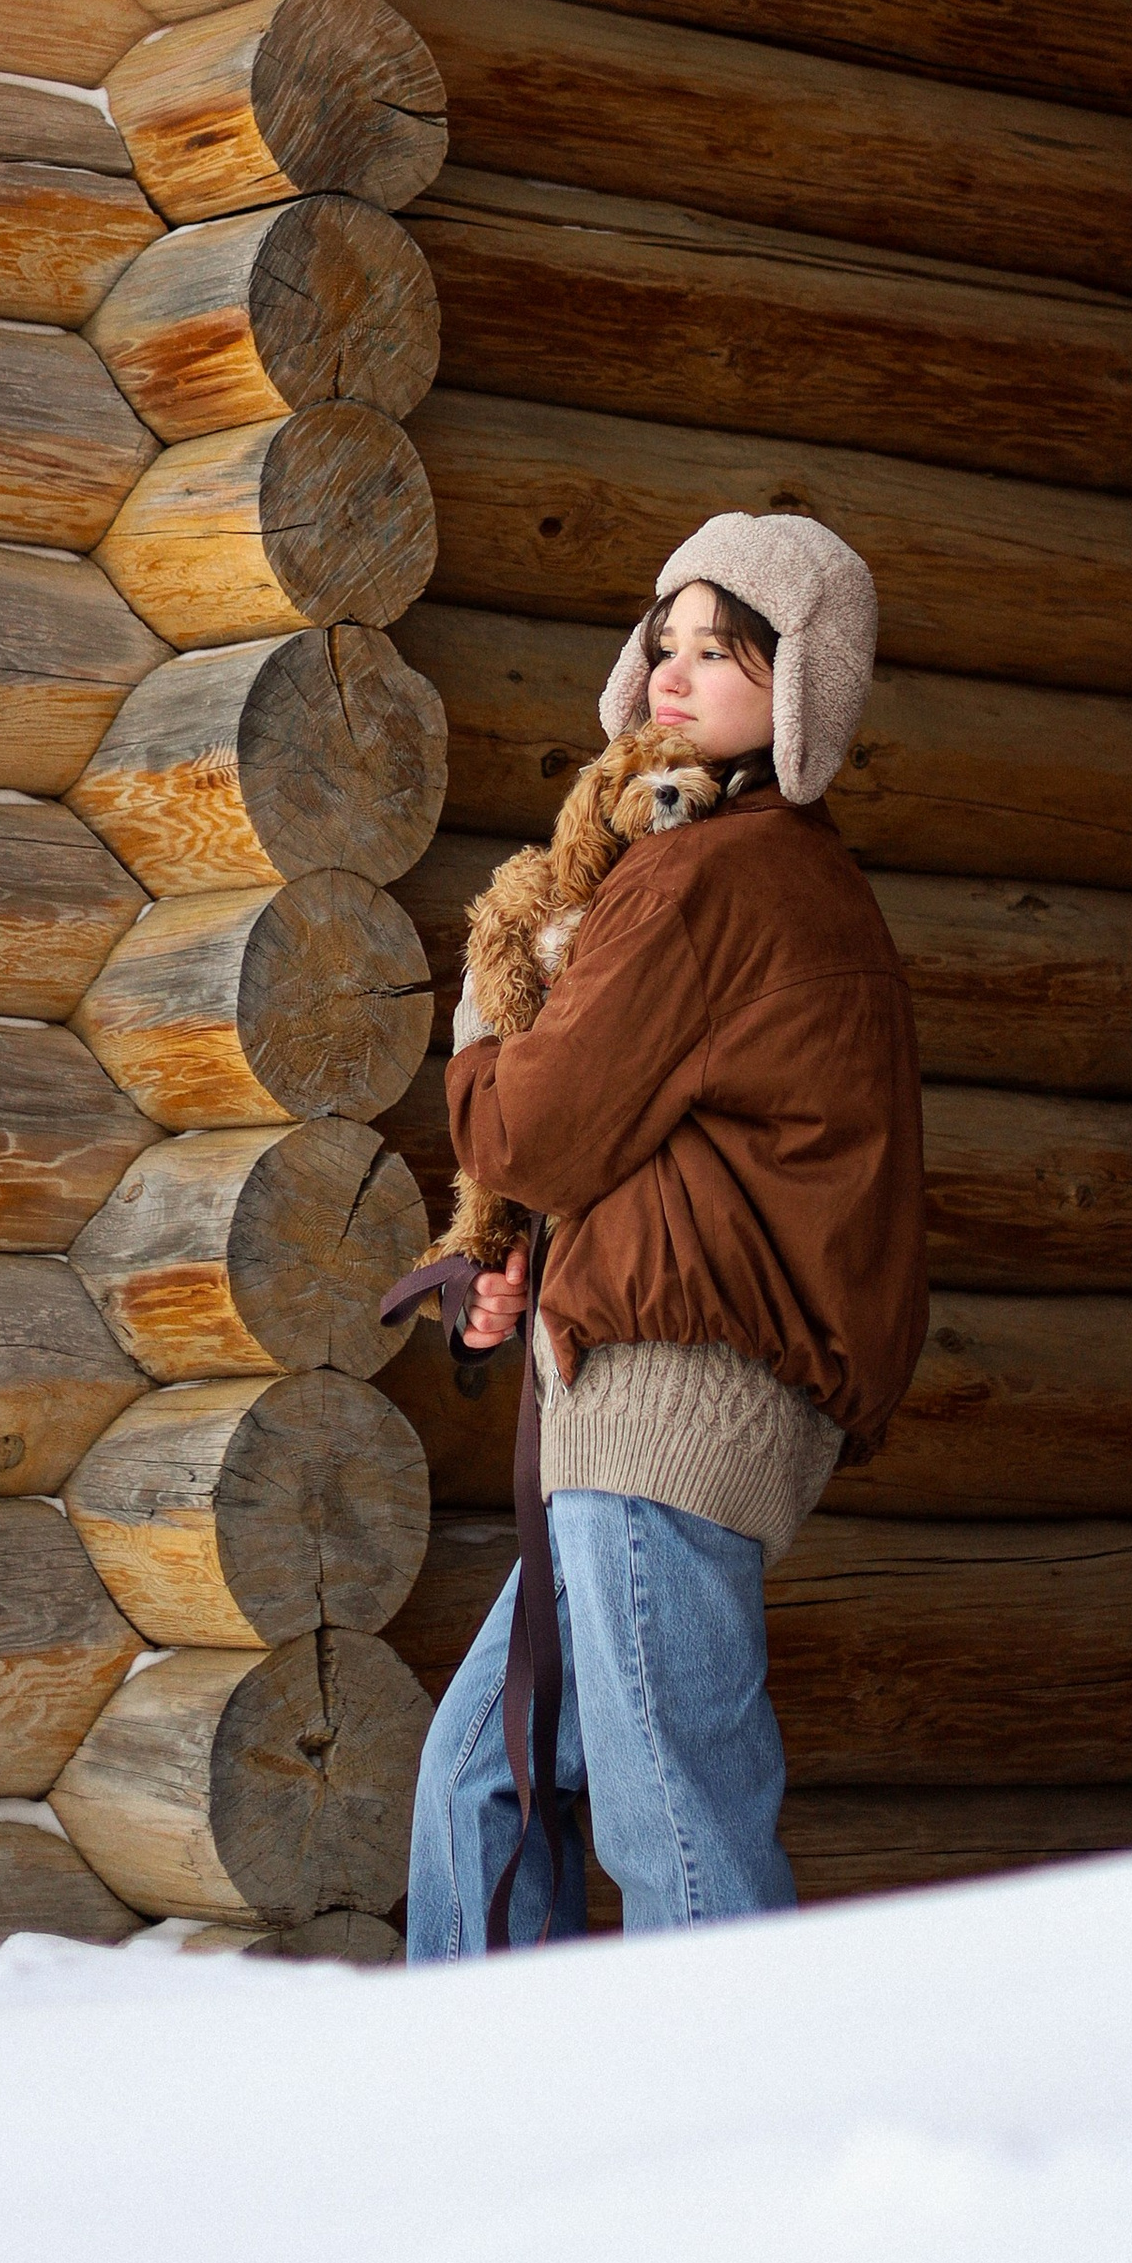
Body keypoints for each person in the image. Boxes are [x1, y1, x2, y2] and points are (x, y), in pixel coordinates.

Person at [406, 510, 929, 1955]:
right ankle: (497, 2127)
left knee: (674, 1818)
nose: (674, 678)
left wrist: (481, 1037)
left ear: (802, 688)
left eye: (725, 651)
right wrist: (539, 1259)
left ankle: (735, 2133)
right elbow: (658, 1148)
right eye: (666, 643)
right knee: (479, 1783)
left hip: (673, 1403)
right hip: (638, 1389)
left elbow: (540, 1128)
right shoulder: (749, 871)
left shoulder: (717, 876)